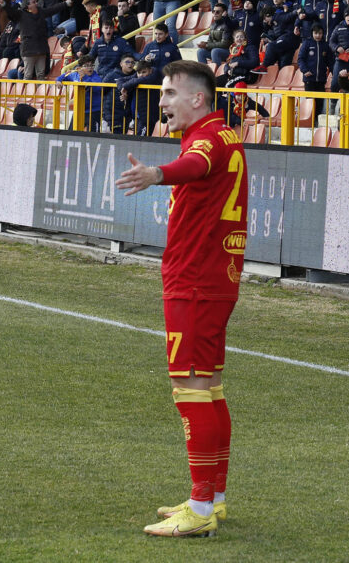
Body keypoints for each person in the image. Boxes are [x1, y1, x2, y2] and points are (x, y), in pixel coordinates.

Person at [115, 60, 247, 538]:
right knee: (209, 387)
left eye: (170, 93)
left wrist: (156, 174)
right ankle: (213, 498)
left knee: (189, 387)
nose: (163, 101)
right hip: (213, 277)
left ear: (198, 98)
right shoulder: (223, 134)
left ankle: (200, 506)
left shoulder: (208, 139)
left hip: (195, 279)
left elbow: (196, 165)